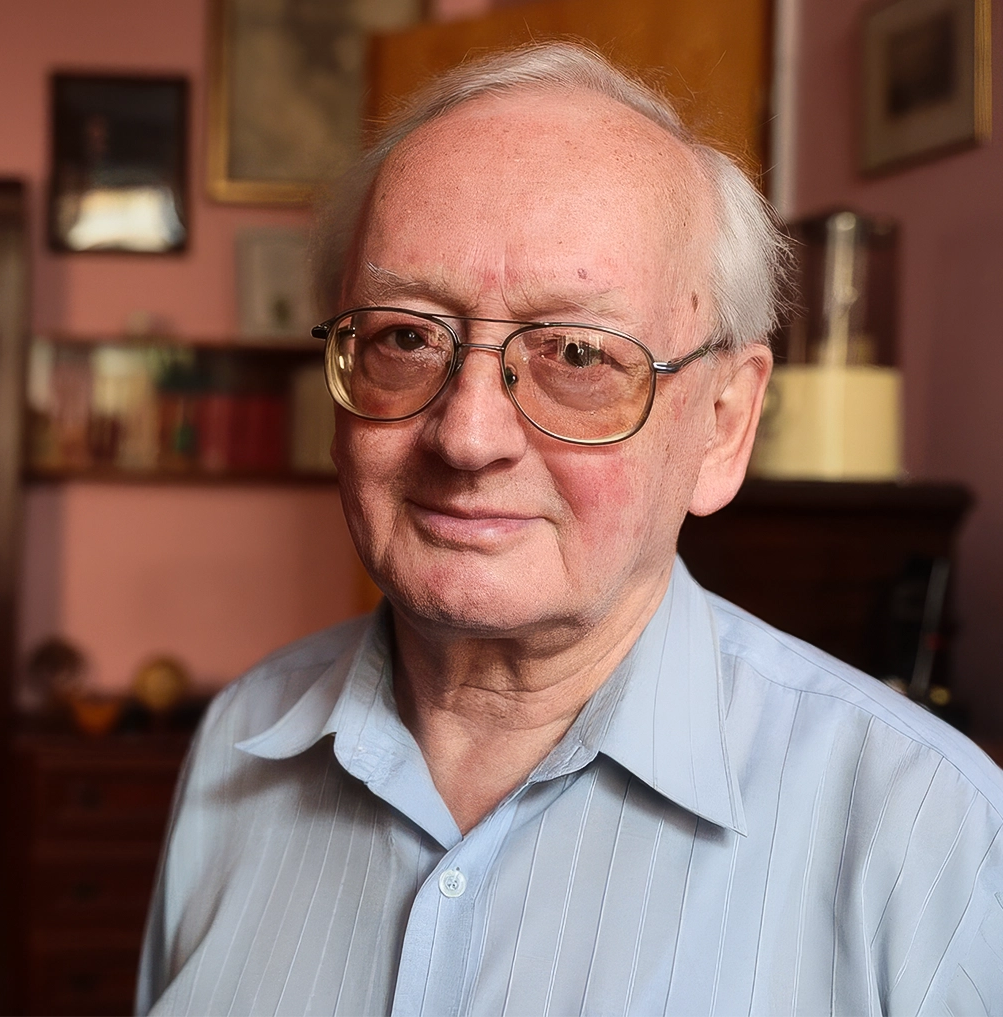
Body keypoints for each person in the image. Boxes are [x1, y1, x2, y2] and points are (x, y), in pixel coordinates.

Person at [136, 43, 1003, 1016]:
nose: (467, 436)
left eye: (580, 355)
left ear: (723, 424)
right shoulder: (239, 741)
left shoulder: (935, 839)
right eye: (406, 336)